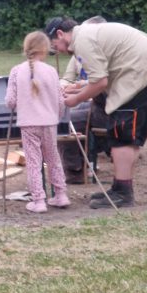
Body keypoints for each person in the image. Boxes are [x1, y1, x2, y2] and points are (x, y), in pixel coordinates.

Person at [46, 16, 147, 208]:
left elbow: (100, 82)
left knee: (122, 134)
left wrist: (75, 100)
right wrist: (77, 91)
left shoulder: (82, 40)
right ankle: (121, 188)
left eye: (55, 46)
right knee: (127, 136)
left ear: (60, 34)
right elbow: (100, 78)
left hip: (143, 74)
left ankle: (123, 194)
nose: (58, 51)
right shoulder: (87, 34)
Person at [5, 31, 70, 213]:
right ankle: (61, 194)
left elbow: (10, 101)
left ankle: (39, 200)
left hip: (28, 123)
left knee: (34, 161)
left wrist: (19, 104)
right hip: (49, 123)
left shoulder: (17, 71)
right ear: (45, 49)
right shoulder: (51, 71)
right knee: (53, 158)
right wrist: (57, 115)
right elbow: (60, 101)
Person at [57, 16, 109, 184]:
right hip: (88, 99)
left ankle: (76, 170)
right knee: (66, 114)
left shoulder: (106, 52)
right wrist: (63, 87)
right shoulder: (78, 52)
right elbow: (68, 78)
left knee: (67, 120)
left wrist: (79, 89)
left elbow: (102, 82)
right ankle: (79, 165)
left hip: (102, 103)